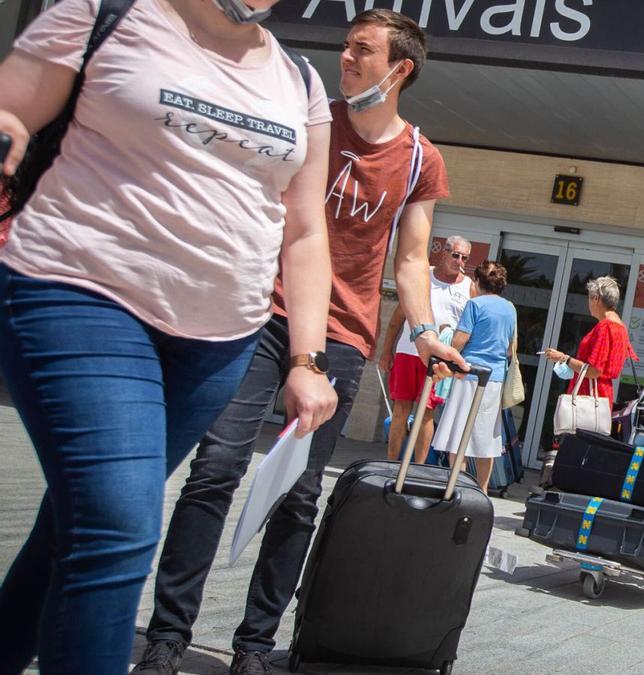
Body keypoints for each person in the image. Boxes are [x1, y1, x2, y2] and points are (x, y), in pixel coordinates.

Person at [0, 0, 341, 671]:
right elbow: (13, 112)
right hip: (79, 291)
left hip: (217, 344)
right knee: (119, 528)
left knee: (77, 529)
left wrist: (306, 358)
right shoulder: (106, 14)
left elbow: (304, 231)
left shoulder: (300, 83)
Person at [132, 10, 464, 675]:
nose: (346, 56)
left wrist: (425, 333)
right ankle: (168, 635)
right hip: (260, 311)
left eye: (362, 49)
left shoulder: (421, 159)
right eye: (345, 44)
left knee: (300, 492)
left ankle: (254, 646)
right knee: (217, 467)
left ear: (401, 68)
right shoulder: (309, 115)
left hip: (342, 333)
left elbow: (412, 259)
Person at [381, 235, 473, 463]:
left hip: (438, 361)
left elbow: (471, 328)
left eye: (464, 257)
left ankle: (418, 467)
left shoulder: (469, 287)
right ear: (444, 253)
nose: (459, 260)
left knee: (425, 413)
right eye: (455, 255)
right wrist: (386, 353)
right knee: (401, 411)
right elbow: (396, 320)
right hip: (407, 352)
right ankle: (392, 463)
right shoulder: (423, 276)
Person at [540, 276, 637, 477]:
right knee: (590, 448)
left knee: (578, 445)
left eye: (589, 298)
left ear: (596, 298)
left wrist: (564, 358)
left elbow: (594, 370)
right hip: (602, 395)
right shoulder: (620, 327)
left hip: (588, 394)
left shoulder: (605, 327)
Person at [435, 261, 517, 489]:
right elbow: (510, 348)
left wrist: (446, 335)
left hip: (469, 374)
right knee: (486, 439)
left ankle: (456, 485)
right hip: (495, 377)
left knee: (459, 436)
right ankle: (482, 490)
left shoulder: (475, 305)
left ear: (478, 282)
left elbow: (460, 341)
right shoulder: (510, 308)